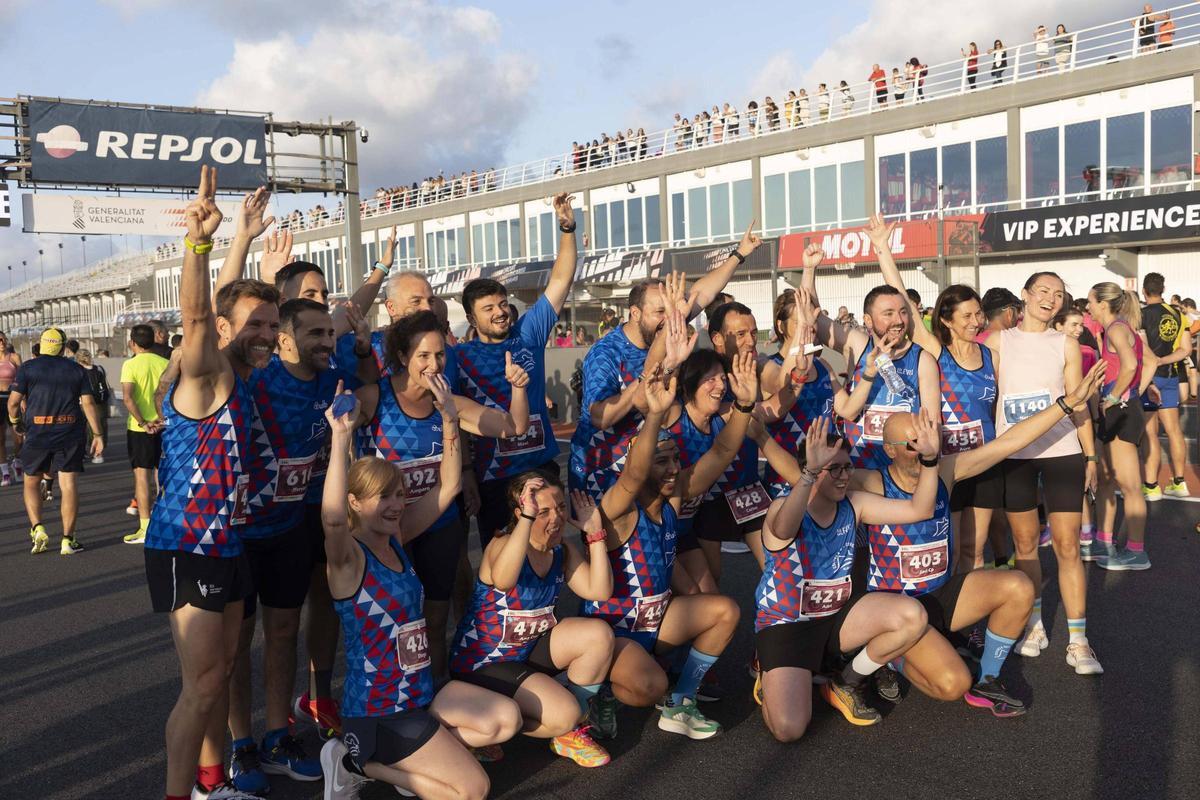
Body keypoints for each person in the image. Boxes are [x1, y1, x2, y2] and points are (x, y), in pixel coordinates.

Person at [857, 365, 1103, 716]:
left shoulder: (944, 470)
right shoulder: (870, 482)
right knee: (952, 684)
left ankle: (988, 679)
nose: (922, 446)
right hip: (896, 610)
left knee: (1019, 586)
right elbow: (813, 482)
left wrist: (1067, 403)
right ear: (889, 450)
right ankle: (891, 656)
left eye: (926, 437)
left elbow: (1010, 442)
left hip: (940, 599)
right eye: (910, 443)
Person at [316, 391, 523, 800]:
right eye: (382, 496)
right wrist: (340, 437)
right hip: (379, 711)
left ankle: (410, 756)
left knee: (505, 719)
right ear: (355, 501)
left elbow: (448, 487)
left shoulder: (395, 538)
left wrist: (449, 418)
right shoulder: (347, 560)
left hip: (420, 696)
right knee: (472, 789)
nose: (396, 504)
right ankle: (356, 762)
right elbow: (332, 518)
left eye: (398, 493)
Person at [142, 166, 274, 800]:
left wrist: (242, 241)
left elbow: (221, 309)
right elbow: (200, 316)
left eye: (273, 326)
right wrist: (200, 243)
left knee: (220, 674)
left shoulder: (231, 375)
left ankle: (209, 783)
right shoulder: (201, 378)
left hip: (225, 541)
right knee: (199, 684)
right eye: (259, 326)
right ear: (222, 335)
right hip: (186, 543)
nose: (268, 336)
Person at [224, 298, 377, 794]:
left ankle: (276, 736)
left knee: (285, 632)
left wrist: (361, 347)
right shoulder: (257, 380)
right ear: (284, 339)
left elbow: (369, 397)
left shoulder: (333, 377)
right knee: (235, 645)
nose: (325, 343)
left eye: (328, 336)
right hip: (239, 532)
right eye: (315, 334)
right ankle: (240, 743)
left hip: (289, 526)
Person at [582, 326, 752, 740]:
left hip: (656, 624)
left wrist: (745, 405)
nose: (673, 469)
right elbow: (635, 472)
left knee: (724, 609)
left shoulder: (672, 505)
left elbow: (722, 452)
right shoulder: (620, 511)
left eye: (676, 460)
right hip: (616, 634)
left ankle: (682, 703)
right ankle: (598, 686)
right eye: (663, 462)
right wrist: (656, 413)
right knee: (647, 686)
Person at [356, 310, 531, 680]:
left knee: (434, 621)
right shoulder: (375, 398)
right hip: (389, 529)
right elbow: (333, 430)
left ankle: (436, 692)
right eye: (423, 356)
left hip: (439, 520)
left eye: (439, 355)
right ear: (403, 357)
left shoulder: (448, 402)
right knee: (394, 621)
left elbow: (512, 427)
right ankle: (389, 698)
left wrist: (518, 389)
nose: (434, 364)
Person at [755, 416, 938, 737]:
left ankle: (845, 681)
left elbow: (919, 510)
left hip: (836, 622)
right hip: (787, 627)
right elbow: (783, 529)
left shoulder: (855, 504)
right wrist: (809, 475)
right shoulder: (783, 506)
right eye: (834, 469)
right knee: (789, 729)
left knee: (912, 616)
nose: (844, 477)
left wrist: (931, 460)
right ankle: (765, 671)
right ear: (811, 471)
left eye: (847, 467)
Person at [569, 226, 759, 503]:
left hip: (646, 465)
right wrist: (649, 380)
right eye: (660, 312)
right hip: (602, 468)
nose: (669, 318)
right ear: (635, 313)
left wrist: (739, 254)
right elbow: (600, 417)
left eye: (671, 312)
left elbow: (703, 292)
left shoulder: (666, 329)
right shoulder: (606, 353)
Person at [450, 472, 615, 767]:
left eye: (561, 507)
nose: (557, 517)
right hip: (484, 662)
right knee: (564, 712)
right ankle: (474, 732)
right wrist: (527, 520)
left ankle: (568, 732)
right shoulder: (501, 544)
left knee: (598, 635)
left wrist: (595, 533)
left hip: (525, 653)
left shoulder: (562, 550)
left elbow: (599, 591)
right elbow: (503, 580)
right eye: (544, 512)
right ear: (522, 513)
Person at [864, 216, 1001, 572]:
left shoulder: (990, 355)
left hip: (983, 462)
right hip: (947, 465)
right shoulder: (937, 352)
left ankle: (971, 624)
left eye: (979, 314)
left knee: (976, 546)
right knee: (951, 545)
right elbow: (906, 306)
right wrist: (883, 249)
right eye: (967, 315)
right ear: (947, 320)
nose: (976, 321)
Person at [983, 272, 1103, 675]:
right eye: (1043, 292)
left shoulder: (1067, 343)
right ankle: (1033, 625)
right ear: (1025, 296)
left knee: (1068, 546)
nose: (1050, 299)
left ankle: (1079, 639)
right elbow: (985, 395)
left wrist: (1091, 456)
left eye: (1058, 293)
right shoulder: (998, 340)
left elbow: (1079, 402)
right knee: (1025, 543)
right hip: (1014, 453)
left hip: (1062, 452)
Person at [456, 193, 579, 549]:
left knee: (549, 548)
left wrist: (567, 227)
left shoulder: (528, 333)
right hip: (494, 480)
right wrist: (466, 474)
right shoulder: (458, 358)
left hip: (541, 466)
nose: (500, 312)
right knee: (503, 556)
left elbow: (560, 280)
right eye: (488, 307)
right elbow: (456, 420)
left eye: (502, 303)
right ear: (471, 319)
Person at [7, 327, 104, 556]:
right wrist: (98, 434)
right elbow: (88, 404)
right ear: (62, 347)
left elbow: (13, 402)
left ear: (41, 345)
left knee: (31, 482)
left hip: (37, 431)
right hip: (69, 431)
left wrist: (15, 422)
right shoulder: (76, 369)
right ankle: (68, 540)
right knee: (68, 485)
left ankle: (37, 527)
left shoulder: (28, 368)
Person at [1088, 284, 1152, 571]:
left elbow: (1128, 365)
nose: (1087, 306)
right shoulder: (1121, 327)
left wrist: (1116, 396)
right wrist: (1138, 390)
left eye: (1090, 301)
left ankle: (1137, 552)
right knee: (1105, 480)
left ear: (1102, 304)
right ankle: (1103, 541)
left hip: (1121, 411)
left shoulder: (1116, 328)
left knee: (1129, 485)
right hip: (1123, 408)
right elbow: (1150, 361)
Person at [1139, 273, 1191, 499]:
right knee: (1174, 430)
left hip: (1149, 379)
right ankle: (1180, 482)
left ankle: (1151, 486)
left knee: (1150, 432)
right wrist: (1164, 360)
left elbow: (1141, 349)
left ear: (1143, 290)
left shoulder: (1140, 315)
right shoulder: (1178, 314)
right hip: (1170, 376)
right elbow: (1186, 350)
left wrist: (1154, 363)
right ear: (1163, 289)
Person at [120, 324, 169, 545]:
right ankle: (167, 521)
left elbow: (128, 397)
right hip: (164, 426)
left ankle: (145, 527)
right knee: (164, 474)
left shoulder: (130, 364)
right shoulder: (166, 363)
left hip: (139, 428)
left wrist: (143, 422)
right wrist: (161, 420)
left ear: (132, 342)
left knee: (142, 476)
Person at [76, 348, 110, 463]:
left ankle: (82, 452)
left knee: (81, 428)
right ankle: (98, 453)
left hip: (81, 403)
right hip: (99, 402)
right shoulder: (99, 369)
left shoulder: (77, 371)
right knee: (98, 427)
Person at [0, 330, 22, 486]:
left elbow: (23, 379)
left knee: (18, 437)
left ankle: (17, 461)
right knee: (0, 439)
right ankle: (5, 472)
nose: (1, 343)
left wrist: (24, 399)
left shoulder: (14, 357)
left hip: (12, 399)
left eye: (2, 340)